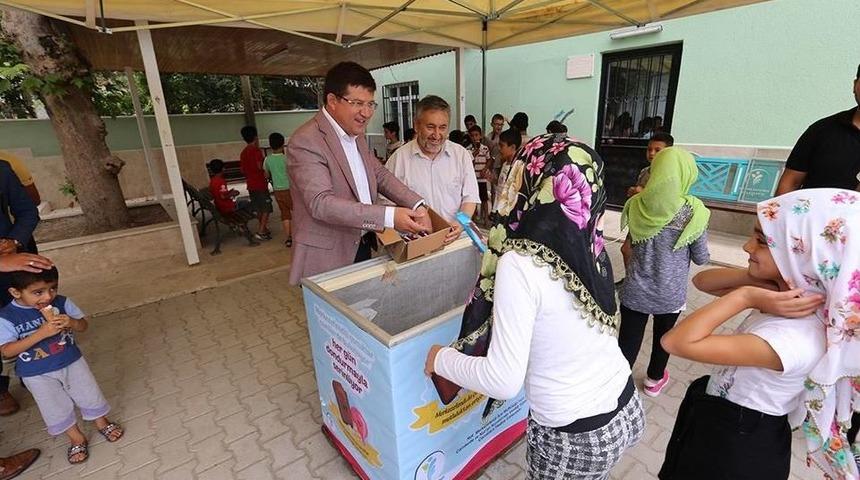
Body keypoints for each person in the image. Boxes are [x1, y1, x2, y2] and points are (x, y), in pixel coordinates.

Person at [425, 135, 644, 479]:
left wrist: (440, 358)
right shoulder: (589, 242)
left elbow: (502, 381)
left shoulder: (520, 263)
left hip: (574, 435)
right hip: (625, 405)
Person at [657, 189, 856, 479]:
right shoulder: (787, 294)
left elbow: (675, 341)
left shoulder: (796, 338)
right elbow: (702, 281)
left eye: (762, 241)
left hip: (736, 447)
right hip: (726, 423)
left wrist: (746, 297)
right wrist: (756, 281)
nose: (748, 247)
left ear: (807, 255)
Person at [286, 62, 430, 285]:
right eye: (357, 103)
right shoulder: (306, 141)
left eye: (371, 104)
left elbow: (379, 174)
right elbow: (320, 203)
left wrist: (417, 204)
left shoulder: (355, 134)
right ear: (332, 101)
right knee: (333, 319)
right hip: (328, 256)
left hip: (362, 242)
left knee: (362, 312)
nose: (366, 113)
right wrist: (389, 217)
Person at [0, 267, 124, 465]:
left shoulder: (62, 302)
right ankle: (76, 437)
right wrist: (41, 333)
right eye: (38, 292)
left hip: (71, 361)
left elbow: (83, 326)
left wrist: (72, 322)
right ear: (16, 292)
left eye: (53, 288)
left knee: (88, 392)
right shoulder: (6, 317)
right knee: (53, 406)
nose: (48, 296)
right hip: (36, 373)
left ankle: (102, 422)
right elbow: (7, 351)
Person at [617, 147, 711, 397]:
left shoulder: (636, 204)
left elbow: (629, 247)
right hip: (669, 294)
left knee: (627, 340)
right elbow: (702, 258)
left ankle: (618, 387)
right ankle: (653, 381)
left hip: (635, 289)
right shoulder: (693, 212)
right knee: (664, 339)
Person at [386, 95, 479, 232]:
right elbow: (386, 204)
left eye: (442, 128)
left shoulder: (461, 155)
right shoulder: (398, 160)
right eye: (430, 127)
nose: (436, 135)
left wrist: (460, 223)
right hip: (416, 242)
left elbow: (470, 198)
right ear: (416, 125)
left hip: (454, 238)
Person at [775, 64, 860, 194]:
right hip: (813, 213)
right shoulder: (822, 130)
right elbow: (791, 181)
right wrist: (780, 212)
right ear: (855, 85)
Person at [0, 160, 39, 417]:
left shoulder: (2, 169)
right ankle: (1, 389)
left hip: (12, 263)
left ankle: (34, 368)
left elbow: (27, 211)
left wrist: (13, 241)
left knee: (23, 315)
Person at [239, 126, 273, 241]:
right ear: (255, 137)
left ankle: (264, 228)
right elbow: (259, 166)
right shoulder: (256, 151)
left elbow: (243, 170)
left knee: (258, 208)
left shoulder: (243, 152)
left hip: (250, 184)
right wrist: (266, 171)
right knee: (266, 208)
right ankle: (261, 231)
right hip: (259, 184)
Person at [264, 133, 293, 247]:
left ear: (270, 145)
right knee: (295, 212)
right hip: (289, 189)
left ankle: (288, 238)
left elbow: (266, 175)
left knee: (285, 214)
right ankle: (297, 236)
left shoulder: (267, 159)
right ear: (283, 144)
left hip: (277, 190)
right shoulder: (286, 158)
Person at [626, 132, 674, 198]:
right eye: (649, 149)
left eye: (657, 150)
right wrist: (633, 191)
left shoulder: (669, 174)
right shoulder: (644, 171)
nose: (651, 153)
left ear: (668, 152)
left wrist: (643, 192)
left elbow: (665, 198)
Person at [489, 128, 522, 223]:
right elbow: (501, 186)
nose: (499, 149)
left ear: (512, 147)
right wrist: (492, 179)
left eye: (501, 146)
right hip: (497, 208)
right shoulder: (504, 164)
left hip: (507, 214)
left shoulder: (518, 168)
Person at [468, 125, 493, 225]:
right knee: (473, 199)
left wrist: (486, 168)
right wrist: (474, 154)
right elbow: (469, 163)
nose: (475, 138)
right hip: (473, 178)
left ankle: (486, 218)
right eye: (472, 135)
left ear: (481, 136)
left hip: (482, 178)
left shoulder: (485, 148)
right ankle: (473, 218)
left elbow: (489, 159)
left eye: (476, 135)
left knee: (484, 199)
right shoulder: (468, 149)